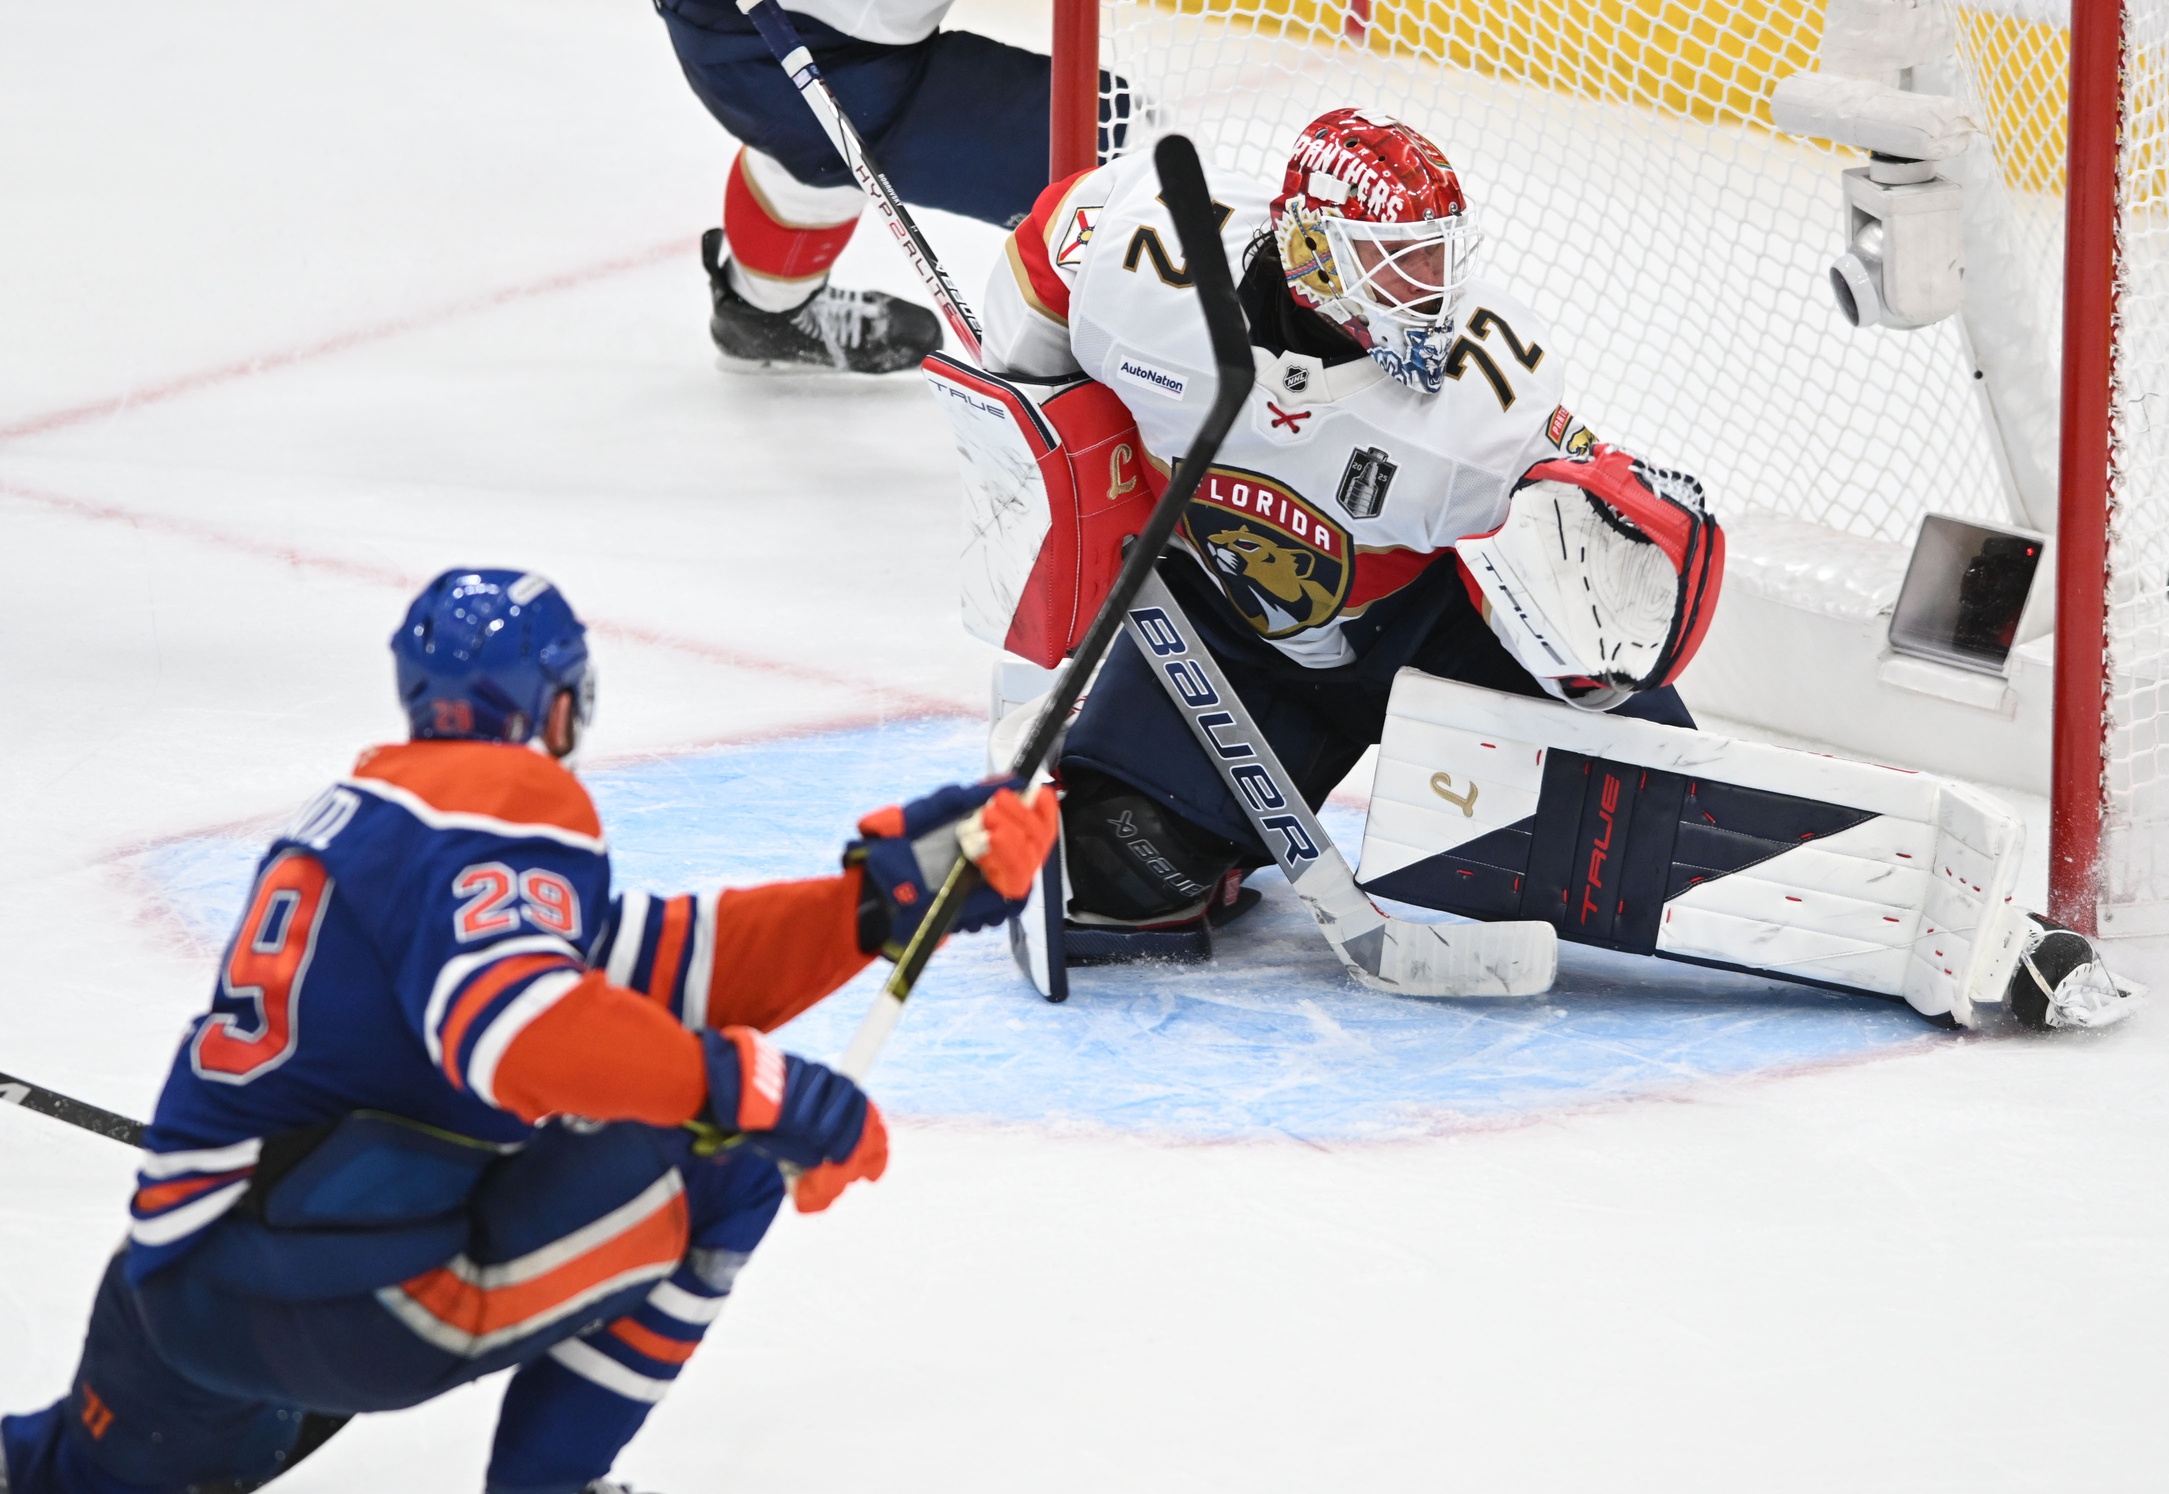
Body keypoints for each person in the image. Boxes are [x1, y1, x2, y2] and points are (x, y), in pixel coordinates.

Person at [0, 569, 1058, 1494]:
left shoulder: (375, 821)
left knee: (57, 1474)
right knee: (726, 1164)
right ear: (554, 704)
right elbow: (517, 1029)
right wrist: (752, 1090)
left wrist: (872, 904)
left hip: (169, 1290)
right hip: (334, 1298)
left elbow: (642, 967)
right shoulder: (502, 803)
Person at [977, 108, 1721, 963]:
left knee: (1673, 825)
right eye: (1398, 265)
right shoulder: (1144, 269)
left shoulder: (1484, 401)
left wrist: (1597, 583)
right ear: (1311, 253)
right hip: (1235, 633)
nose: (1429, 292)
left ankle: (1686, 805)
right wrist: (1036, 404)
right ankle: (1210, 842)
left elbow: (1577, 550)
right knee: (1116, 867)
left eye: (1436, 258)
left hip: (1435, 631)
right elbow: (1047, 255)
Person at [657, 0, 1137, 374]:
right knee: (1124, 169)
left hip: (764, 41)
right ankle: (1169, 366)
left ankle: (763, 312)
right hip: (780, 47)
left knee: (816, 156)